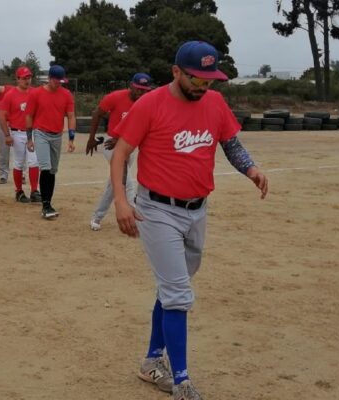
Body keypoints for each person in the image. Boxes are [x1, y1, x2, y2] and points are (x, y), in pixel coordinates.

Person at [111, 41, 268, 400]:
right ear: (177, 72)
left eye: (209, 79)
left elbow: (231, 142)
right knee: (179, 295)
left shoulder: (213, 101)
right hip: (157, 210)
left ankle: (152, 362)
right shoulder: (150, 104)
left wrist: (251, 168)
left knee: (171, 292)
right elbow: (120, 153)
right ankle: (181, 382)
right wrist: (121, 201)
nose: (203, 86)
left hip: (197, 210)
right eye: (196, 78)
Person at [85, 72, 152, 230]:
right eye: (138, 89)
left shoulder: (147, 103)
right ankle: (136, 219)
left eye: (144, 90)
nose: (141, 93)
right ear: (131, 85)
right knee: (126, 183)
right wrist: (91, 138)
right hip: (112, 145)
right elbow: (97, 114)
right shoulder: (115, 97)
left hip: (130, 146)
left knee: (113, 184)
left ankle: (97, 217)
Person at [25, 64, 77, 219]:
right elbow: (28, 116)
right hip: (41, 133)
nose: (58, 84)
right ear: (49, 78)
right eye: (56, 81)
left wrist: (71, 138)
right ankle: (46, 205)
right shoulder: (36, 94)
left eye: (61, 81)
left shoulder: (66, 94)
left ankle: (48, 201)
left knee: (53, 170)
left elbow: (71, 115)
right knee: (46, 168)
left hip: (57, 135)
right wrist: (29, 138)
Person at [0, 66, 41, 203]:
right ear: (17, 79)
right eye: (24, 78)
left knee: (34, 161)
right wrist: (7, 134)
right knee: (19, 163)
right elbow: (2, 115)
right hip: (17, 132)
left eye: (29, 77)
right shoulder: (10, 95)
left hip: (32, 132)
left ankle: (34, 190)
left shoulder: (35, 93)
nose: (27, 80)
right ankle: (19, 191)